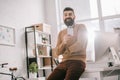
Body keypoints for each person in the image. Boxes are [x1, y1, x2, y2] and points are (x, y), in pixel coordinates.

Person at [47, 7, 88, 80]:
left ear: (74, 16)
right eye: (65, 15)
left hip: (77, 61)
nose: (67, 16)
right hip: (63, 63)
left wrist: (66, 51)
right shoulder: (61, 33)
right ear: (63, 17)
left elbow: (81, 44)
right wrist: (64, 42)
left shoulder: (81, 27)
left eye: (70, 14)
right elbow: (57, 52)